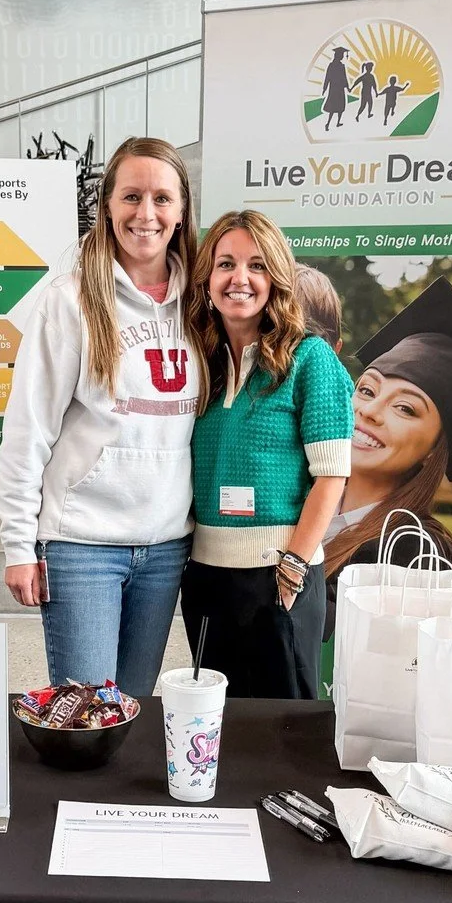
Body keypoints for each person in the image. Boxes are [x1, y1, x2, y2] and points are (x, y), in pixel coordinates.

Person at [0, 136, 199, 699]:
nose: (146, 213)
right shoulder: (70, 299)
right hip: (82, 545)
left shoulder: (203, 301)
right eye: (131, 196)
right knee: (86, 712)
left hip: (165, 547)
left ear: (181, 211)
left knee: (130, 708)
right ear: (107, 205)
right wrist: (18, 545)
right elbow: (28, 429)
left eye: (162, 198)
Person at [182, 212, 354, 698]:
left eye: (257, 265)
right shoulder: (201, 364)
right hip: (207, 580)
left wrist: (294, 566)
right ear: (208, 279)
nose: (240, 279)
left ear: (275, 278)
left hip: (282, 578)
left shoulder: (310, 359)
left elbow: (332, 476)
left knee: (284, 735)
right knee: (220, 727)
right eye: (226, 264)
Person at [322, 277, 452, 631]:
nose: (370, 410)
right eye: (366, 389)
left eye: (405, 408)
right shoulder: (298, 506)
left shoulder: (420, 553)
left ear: (432, 450)